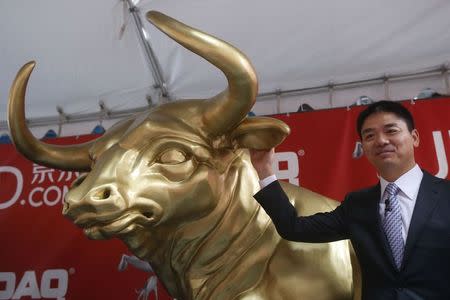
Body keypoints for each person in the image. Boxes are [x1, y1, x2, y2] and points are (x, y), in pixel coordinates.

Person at [250, 100, 450, 300]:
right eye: (369, 135)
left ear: (414, 137)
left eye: (391, 131)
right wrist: (264, 170)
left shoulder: (445, 195)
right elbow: (293, 227)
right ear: (363, 147)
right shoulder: (358, 205)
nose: (381, 141)